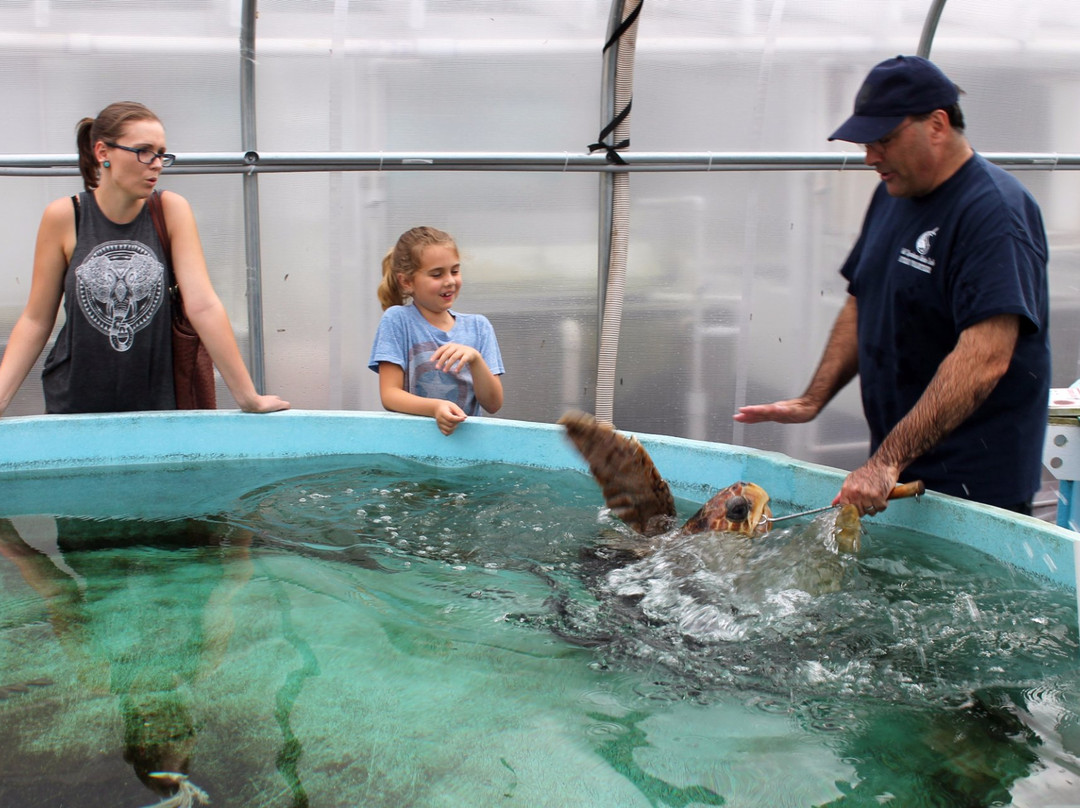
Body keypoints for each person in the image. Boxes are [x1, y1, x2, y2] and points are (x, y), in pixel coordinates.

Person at [735, 55, 1050, 516]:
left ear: (937, 124)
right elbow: (863, 301)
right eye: (866, 143)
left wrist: (885, 462)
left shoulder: (993, 212)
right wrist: (813, 399)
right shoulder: (893, 193)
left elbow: (984, 359)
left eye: (883, 139)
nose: (870, 157)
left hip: (974, 484)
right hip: (899, 469)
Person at [0, 101, 289, 416]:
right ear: (102, 152)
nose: (156, 164)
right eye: (144, 151)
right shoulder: (66, 216)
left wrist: (248, 398)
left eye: (161, 153)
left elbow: (203, 304)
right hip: (75, 404)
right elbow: (36, 319)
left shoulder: (170, 211)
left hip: (158, 405)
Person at [368, 226, 504, 435]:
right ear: (406, 282)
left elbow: (493, 404)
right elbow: (389, 394)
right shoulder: (397, 320)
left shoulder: (479, 327)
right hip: (412, 446)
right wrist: (435, 408)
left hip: (467, 450)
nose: (449, 281)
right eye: (436, 274)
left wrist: (475, 360)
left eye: (455, 271)